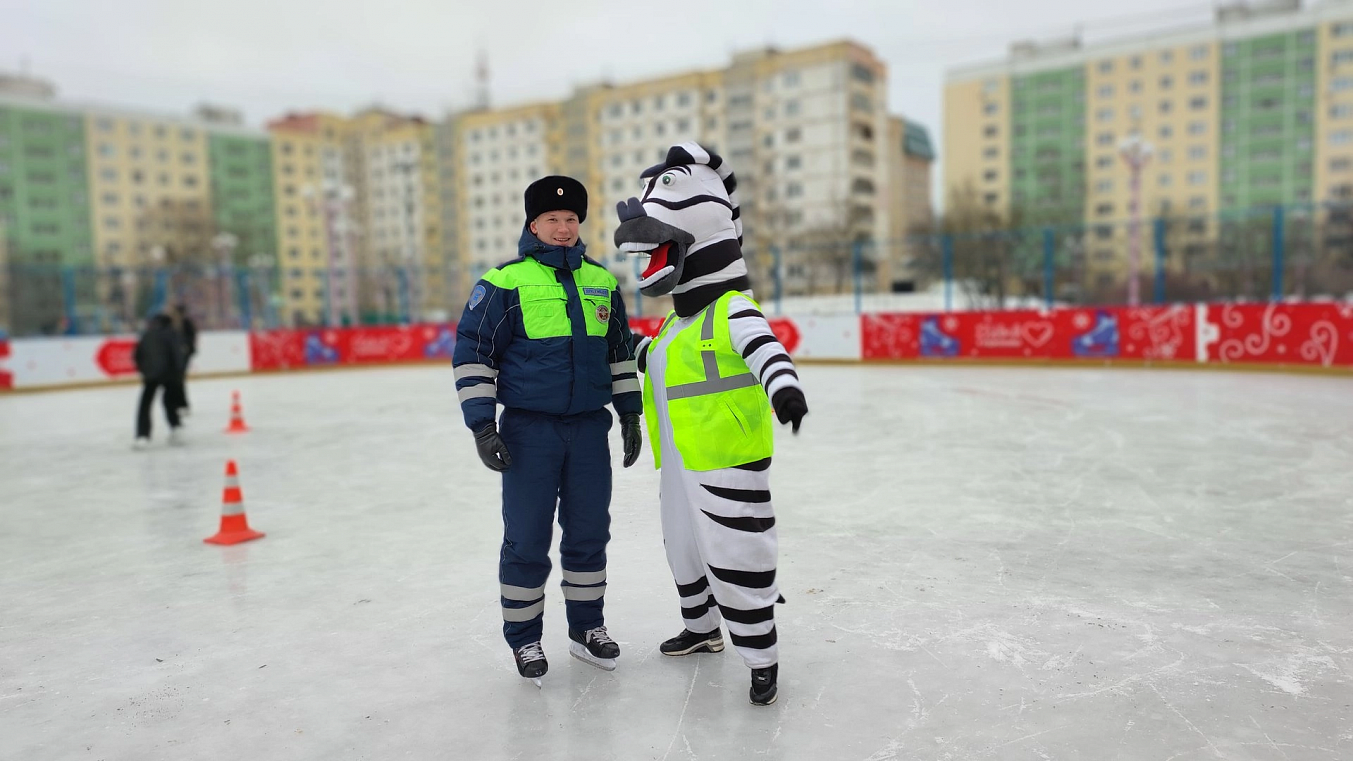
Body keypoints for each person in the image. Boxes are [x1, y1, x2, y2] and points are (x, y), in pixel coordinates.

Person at [615, 143, 808, 706]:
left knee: (736, 554)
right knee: (683, 548)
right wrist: (632, 347)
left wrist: (785, 389)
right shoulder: (676, 324)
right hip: (678, 461)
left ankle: (762, 658)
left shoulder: (730, 309)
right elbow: (658, 358)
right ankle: (701, 629)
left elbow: (765, 349)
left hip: (726, 456)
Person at [452, 175, 644, 684]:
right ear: (533, 224)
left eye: (571, 219)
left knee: (588, 534)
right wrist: (482, 427)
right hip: (528, 433)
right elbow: (473, 355)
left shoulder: (602, 282)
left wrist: (629, 413)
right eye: (552, 219)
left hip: (586, 431)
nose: (563, 228)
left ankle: (587, 630)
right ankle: (525, 637)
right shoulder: (504, 283)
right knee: (528, 538)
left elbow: (620, 354)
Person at [133, 313, 185, 449]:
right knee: (169, 401)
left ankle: (142, 435)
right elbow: (177, 354)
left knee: (145, 404)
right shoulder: (171, 334)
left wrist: (144, 371)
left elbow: (137, 355)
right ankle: (175, 427)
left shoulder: (147, 334)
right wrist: (179, 374)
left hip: (150, 375)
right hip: (169, 374)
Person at [166, 303, 197, 417]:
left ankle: (182, 404)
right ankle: (179, 404)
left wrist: (185, 347)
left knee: (179, 379)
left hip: (184, 355)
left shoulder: (186, 323)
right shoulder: (171, 324)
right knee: (177, 380)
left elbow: (191, 337)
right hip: (176, 356)